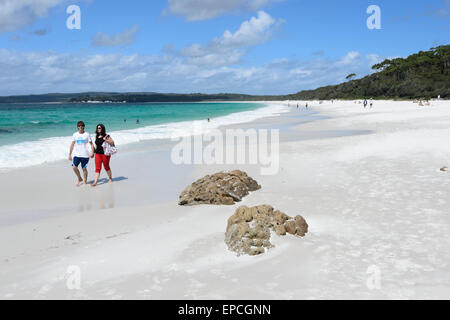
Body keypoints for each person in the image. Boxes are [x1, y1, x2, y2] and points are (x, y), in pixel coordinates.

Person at [69, 121, 94, 186]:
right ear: (77, 127)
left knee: (84, 168)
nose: (81, 127)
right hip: (76, 154)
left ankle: (85, 181)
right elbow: (72, 144)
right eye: (79, 126)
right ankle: (79, 178)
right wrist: (70, 154)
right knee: (74, 167)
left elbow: (91, 144)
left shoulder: (87, 134)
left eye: (82, 126)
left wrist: (92, 152)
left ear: (84, 126)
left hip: (85, 155)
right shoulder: (75, 134)